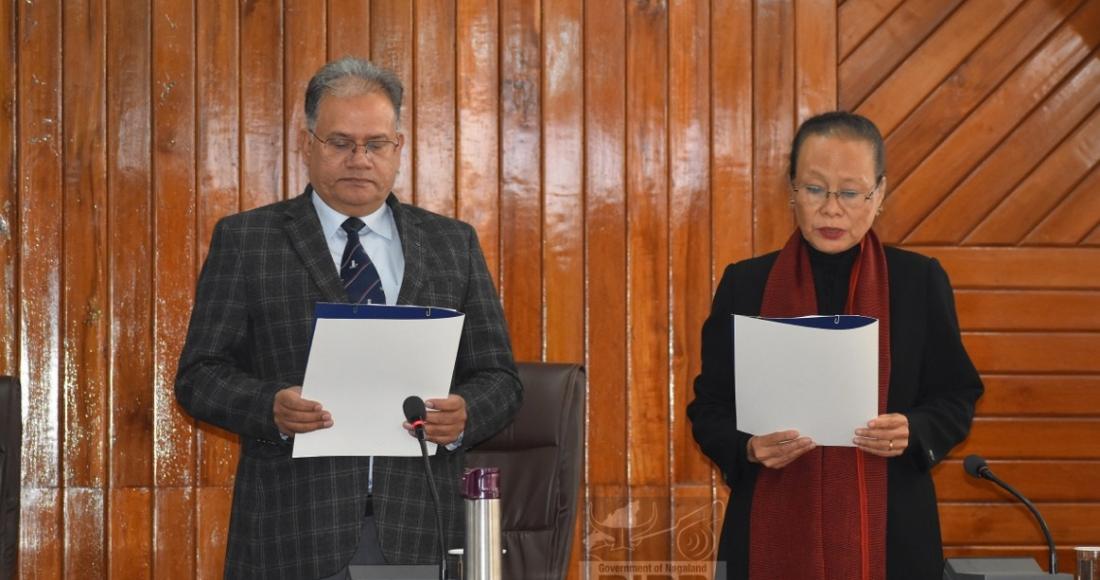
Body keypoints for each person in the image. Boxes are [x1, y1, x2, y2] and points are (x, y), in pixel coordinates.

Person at [175, 57, 522, 580]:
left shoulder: (452, 244)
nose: (359, 159)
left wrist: (464, 414)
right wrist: (270, 407)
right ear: (307, 143)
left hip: (419, 526)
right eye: (340, 143)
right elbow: (199, 376)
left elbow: (500, 378)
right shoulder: (248, 240)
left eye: (376, 144)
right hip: (293, 528)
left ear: (398, 147)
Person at [687, 111, 983, 580]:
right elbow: (710, 407)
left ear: (879, 194)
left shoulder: (918, 281)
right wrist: (748, 448)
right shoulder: (746, 284)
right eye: (814, 189)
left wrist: (914, 429)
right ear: (792, 190)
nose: (831, 209)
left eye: (849, 192)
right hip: (770, 515)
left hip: (893, 532)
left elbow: (957, 395)